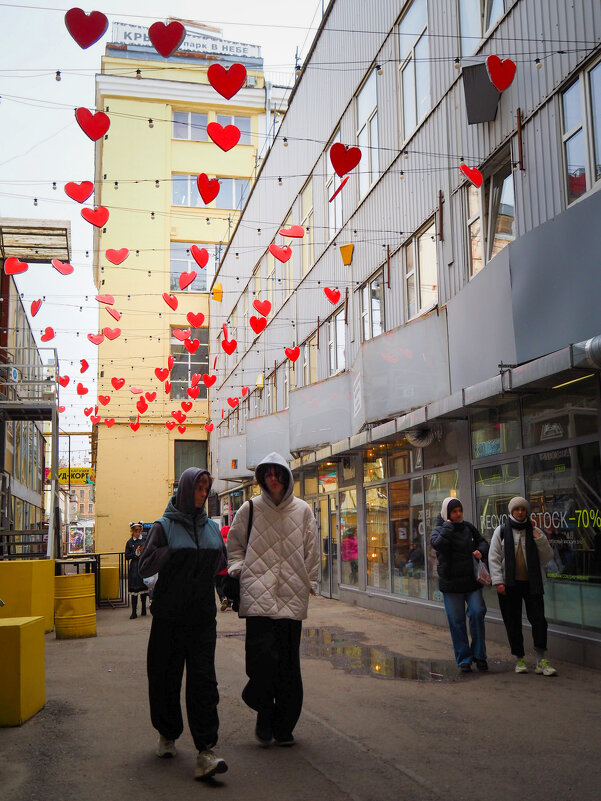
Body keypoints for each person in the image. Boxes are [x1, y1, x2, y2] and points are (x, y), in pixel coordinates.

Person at [138, 468, 228, 781]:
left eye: (206, 489)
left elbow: (221, 562)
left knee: (204, 682)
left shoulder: (211, 528)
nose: (203, 494)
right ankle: (167, 733)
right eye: (199, 489)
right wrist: (171, 553)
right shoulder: (163, 527)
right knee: (165, 677)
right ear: (186, 490)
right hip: (169, 617)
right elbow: (144, 566)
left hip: (202, 617)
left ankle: (206, 751)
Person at [226, 452, 319, 748]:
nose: (273, 479)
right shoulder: (250, 508)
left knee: (289, 667)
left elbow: (312, 549)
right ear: (262, 478)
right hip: (257, 595)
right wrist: (239, 569)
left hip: (291, 596)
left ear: (286, 477)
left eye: (278, 473)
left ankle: (284, 727)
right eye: (268, 474)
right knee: (261, 662)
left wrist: (310, 581)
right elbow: (235, 544)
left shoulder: (303, 510)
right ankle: (264, 712)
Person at [488, 496, 557, 676]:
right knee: (513, 621)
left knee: (539, 620)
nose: (520, 512)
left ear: (526, 511)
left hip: (532, 583)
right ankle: (519, 659)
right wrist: (498, 581)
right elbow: (494, 557)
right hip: (509, 584)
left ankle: (541, 659)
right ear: (511, 511)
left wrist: (539, 539)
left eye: (523, 509)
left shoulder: (534, 530)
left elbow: (547, 557)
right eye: (516, 509)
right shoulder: (501, 531)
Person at [430, 497, 489, 673]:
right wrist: (448, 526)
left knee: (477, 613)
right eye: (454, 511)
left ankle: (479, 655)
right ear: (447, 513)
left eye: (460, 511)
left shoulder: (468, 528)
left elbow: (483, 542)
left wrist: (481, 551)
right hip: (451, 584)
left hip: (471, 582)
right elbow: (438, 545)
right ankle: (464, 659)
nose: (458, 514)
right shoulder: (439, 530)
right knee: (456, 621)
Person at [125, 522, 148, 619]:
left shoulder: (145, 540)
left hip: (143, 565)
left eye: (139, 530)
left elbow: (149, 551)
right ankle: (134, 612)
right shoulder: (129, 542)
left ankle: (144, 608)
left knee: (143, 588)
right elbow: (127, 556)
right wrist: (136, 553)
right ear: (132, 531)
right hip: (134, 567)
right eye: (136, 531)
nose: (138, 533)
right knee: (134, 588)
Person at [215, 524, 231, 611]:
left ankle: (222, 598)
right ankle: (229, 603)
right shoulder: (231, 542)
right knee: (227, 584)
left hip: (218, 568)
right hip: (228, 568)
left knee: (218, 585)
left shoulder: (218, 541)